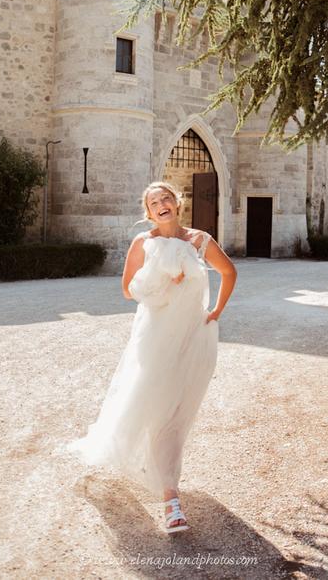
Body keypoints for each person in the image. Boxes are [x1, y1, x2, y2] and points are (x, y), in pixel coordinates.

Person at [65, 181, 237, 533]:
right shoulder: (143, 242)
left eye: (166, 198)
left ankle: (165, 484)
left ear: (178, 203)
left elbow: (229, 271)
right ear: (148, 212)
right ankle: (171, 499)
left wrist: (216, 311)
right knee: (152, 407)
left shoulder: (200, 240)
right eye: (154, 201)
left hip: (192, 338)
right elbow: (128, 291)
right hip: (154, 339)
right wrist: (162, 281)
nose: (161, 204)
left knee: (177, 413)